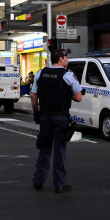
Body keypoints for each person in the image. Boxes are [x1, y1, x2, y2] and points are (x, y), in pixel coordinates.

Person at [31, 47, 83, 193]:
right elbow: (78, 97)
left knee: (44, 148)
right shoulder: (68, 75)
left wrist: (36, 111)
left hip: (45, 116)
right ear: (60, 59)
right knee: (59, 150)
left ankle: (38, 180)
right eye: (66, 57)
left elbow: (34, 95)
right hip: (60, 117)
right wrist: (68, 94)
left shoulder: (40, 73)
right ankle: (59, 184)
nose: (67, 59)